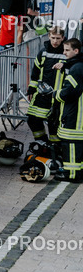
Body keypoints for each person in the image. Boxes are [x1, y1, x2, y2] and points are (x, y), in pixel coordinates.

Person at [27, 26, 65, 143]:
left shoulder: (67, 53)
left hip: (58, 96)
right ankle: (42, 143)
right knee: (32, 119)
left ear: (63, 38)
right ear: (48, 36)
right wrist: (31, 89)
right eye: (53, 38)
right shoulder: (43, 52)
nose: (55, 41)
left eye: (58, 38)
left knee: (54, 123)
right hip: (42, 94)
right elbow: (35, 72)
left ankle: (55, 148)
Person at [54, 38, 83, 181]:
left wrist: (55, 94)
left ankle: (72, 174)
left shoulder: (76, 69)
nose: (64, 53)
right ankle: (78, 172)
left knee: (71, 142)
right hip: (78, 113)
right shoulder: (78, 65)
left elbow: (69, 92)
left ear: (76, 51)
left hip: (75, 115)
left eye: (67, 50)